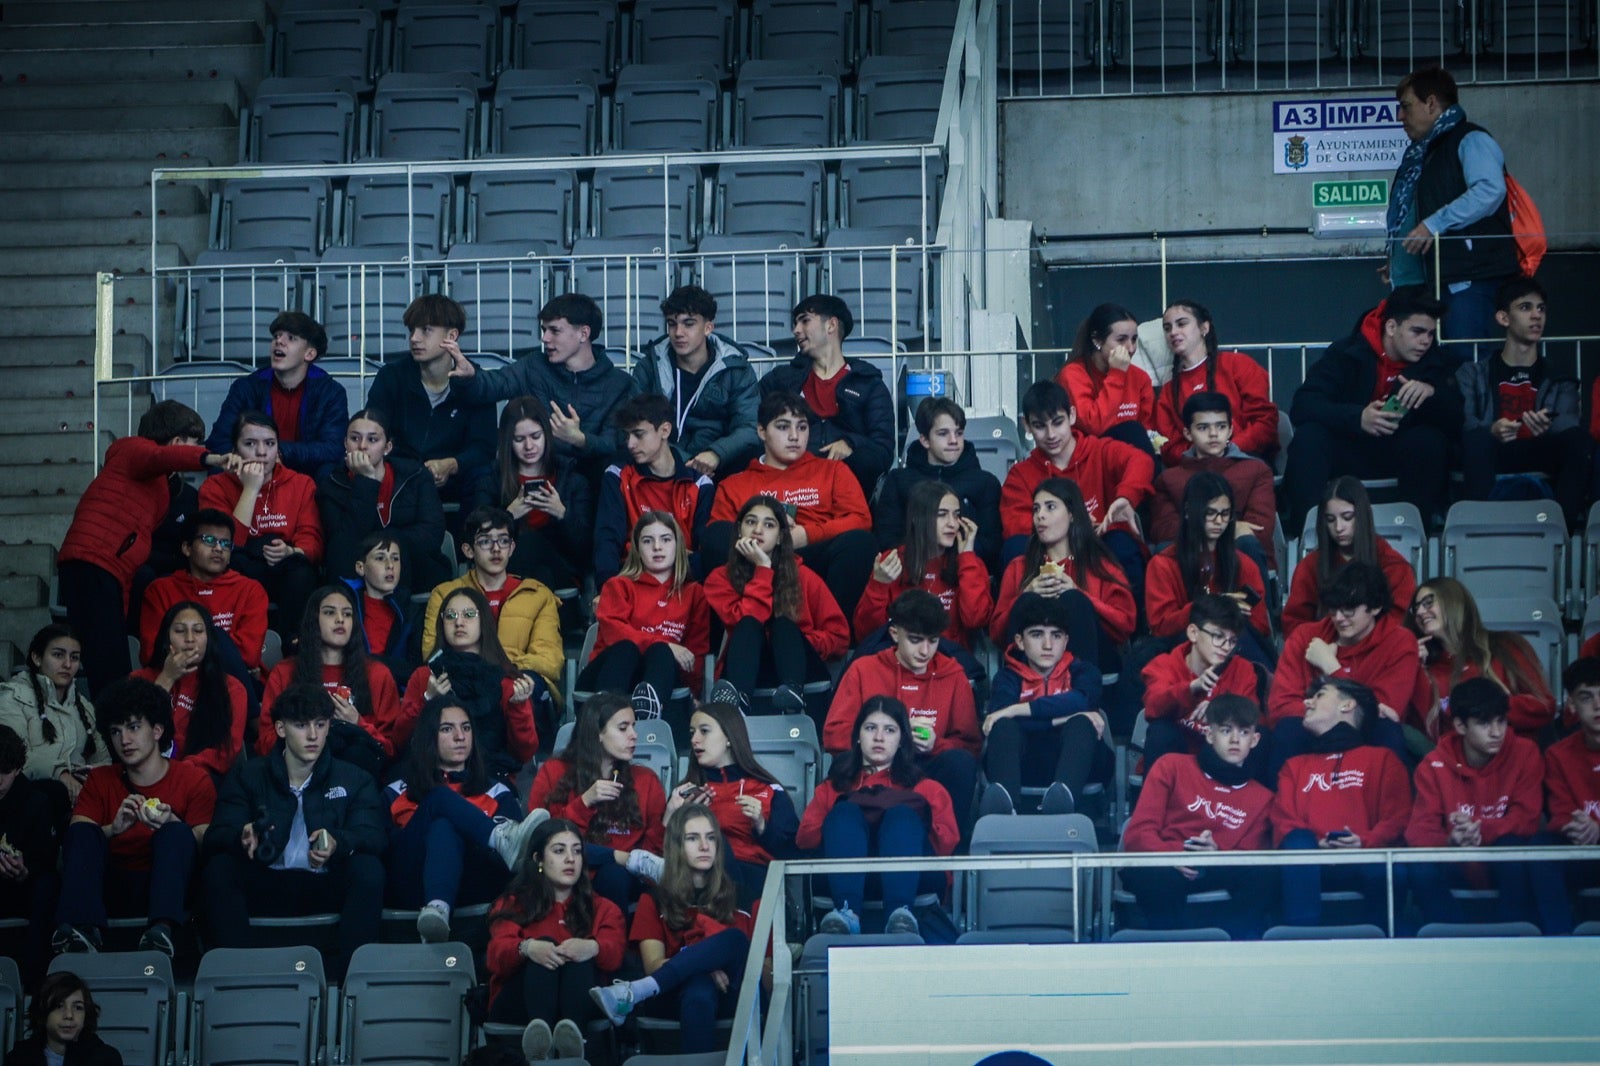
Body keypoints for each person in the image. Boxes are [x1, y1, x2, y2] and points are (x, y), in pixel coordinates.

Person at [202, 683, 387, 981]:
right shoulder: (248, 775)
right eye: (301, 725)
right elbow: (215, 835)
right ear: (280, 728)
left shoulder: (355, 778)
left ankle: (352, 982)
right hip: (266, 881)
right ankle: (235, 977)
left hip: (324, 883)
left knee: (368, 869)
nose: (313, 735)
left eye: (320, 725)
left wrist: (339, 843)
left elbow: (375, 836)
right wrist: (242, 836)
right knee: (219, 868)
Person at [58, 400, 240, 696]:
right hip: (91, 564)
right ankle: (112, 728)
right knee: (108, 667)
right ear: (178, 442)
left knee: (111, 661)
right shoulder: (131, 450)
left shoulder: (161, 487)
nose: (195, 448)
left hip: (108, 572)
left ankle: (113, 724)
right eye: (193, 442)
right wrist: (211, 459)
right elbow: (157, 456)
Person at [53, 678, 214, 958]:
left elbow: (206, 842)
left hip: (169, 884)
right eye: (115, 731)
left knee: (176, 833)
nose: (124, 740)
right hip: (113, 883)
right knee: (83, 833)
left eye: (134, 727)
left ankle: (161, 933)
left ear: (157, 730)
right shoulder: (101, 779)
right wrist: (113, 828)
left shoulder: (192, 778)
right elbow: (77, 838)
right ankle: (83, 931)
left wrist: (171, 822)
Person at [1282, 288, 1464, 532]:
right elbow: (1304, 405)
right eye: (1417, 332)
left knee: (1428, 441)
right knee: (1309, 438)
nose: (1425, 341)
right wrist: (1358, 417)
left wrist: (1433, 395)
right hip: (1348, 448)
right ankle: (1306, 535)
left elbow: (1458, 420)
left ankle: (1416, 534)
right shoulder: (1345, 353)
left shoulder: (1438, 362)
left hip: (1403, 452)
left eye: (1431, 334)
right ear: (1391, 327)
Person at [589, 805, 763, 1052]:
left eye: (711, 838)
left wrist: (699, 961)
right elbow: (653, 965)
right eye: (693, 838)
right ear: (676, 846)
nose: (704, 846)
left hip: (735, 993)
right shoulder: (655, 899)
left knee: (735, 940)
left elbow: (762, 969)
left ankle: (632, 993)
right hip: (672, 995)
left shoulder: (744, 897)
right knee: (699, 988)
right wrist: (706, 965)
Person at [1405, 677, 1570, 933]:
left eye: (1501, 721)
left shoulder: (1525, 752)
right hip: (1456, 862)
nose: (1496, 732)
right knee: (1420, 866)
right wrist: (1452, 840)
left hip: (1504, 861)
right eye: (1484, 723)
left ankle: (1513, 935)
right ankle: (1452, 939)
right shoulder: (1433, 764)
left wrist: (1480, 831)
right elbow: (1419, 831)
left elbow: (1527, 819)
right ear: (1460, 725)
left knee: (1512, 846)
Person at [385, 696, 550, 943]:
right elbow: (385, 849)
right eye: (447, 729)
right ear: (429, 736)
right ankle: (497, 837)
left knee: (446, 823)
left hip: (475, 883)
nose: (460, 736)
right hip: (413, 883)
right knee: (440, 808)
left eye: (466, 727)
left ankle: (438, 910)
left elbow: (508, 865)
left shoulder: (497, 791)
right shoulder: (396, 791)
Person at [706, 391, 877, 621]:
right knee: (715, 535)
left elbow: (860, 519)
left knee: (860, 542)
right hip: (755, 563)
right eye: (783, 427)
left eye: (802, 427)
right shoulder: (734, 484)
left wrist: (805, 534)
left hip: (812, 556)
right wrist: (768, 537)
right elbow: (719, 536)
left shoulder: (833, 470)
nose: (795, 436)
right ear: (761, 431)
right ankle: (743, 624)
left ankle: (833, 630)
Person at [796, 696, 958, 936]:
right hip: (842, 881)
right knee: (845, 814)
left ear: (902, 739)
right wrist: (843, 825)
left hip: (914, 880)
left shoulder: (928, 788)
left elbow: (946, 844)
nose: (879, 737)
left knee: (901, 817)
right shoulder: (832, 788)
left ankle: (901, 915)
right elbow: (805, 839)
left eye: (889, 730)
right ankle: (847, 913)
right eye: (871, 728)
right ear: (858, 737)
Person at [1386, 65, 1519, 353]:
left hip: (1469, 279)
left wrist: (1433, 225)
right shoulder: (1426, 153)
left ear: (1431, 103)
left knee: (1467, 364)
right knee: (1441, 373)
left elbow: (1489, 191)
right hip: (1435, 281)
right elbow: (1419, 210)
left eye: (1406, 106)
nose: (1400, 116)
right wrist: (1400, 257)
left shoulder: (1470, 139)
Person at [1120, 695, 1276, 937]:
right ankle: (1172, 956)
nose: (1235, 740)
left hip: (1220, 868)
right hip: (1166, 864)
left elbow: (1250, 857)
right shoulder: (1171, 766)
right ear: (1210, 735)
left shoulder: (1263, 797)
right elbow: (1138, 833)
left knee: (1264, 875)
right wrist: (1169, 856)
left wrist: (1217, 855)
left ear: (1255, 740)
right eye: (1226, 730)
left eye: (1244, 733)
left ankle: (1233, 954)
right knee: (1154, 876)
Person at [447, 292, 639, 488]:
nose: (544, 338)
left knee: (611, 470)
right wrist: (470, 376)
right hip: (538, 471)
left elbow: (613, 444)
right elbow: (493, 385)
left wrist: (579, 439)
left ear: (583, 333)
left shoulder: (619, 384)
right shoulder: (533, 366)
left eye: (554, 331)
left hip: (589, 479)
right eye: (544, 329)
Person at [826, 591, 980, 832]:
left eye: (933, 640)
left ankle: (949, 852)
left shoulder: (954, 674)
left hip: (926, 766)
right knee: (843, 764)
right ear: (894, 633)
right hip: (873, 770)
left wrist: (935, 745)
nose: (925, 651)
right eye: (916, 640)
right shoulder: (863, 669)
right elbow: (835, 735)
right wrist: (888, 738)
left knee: (960, 763)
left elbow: (971, 745)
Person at [1271, 678, 1411, 927]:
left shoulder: (1383, 759)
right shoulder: (1293, 765)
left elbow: (1397, 818)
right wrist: (1316, 845)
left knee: (1388, 869)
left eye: (1320, 695)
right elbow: (1284, 820)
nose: (1307, 702)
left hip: (1365, 859)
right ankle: (1301, 941)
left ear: (1346, 705)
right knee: (1298, 842)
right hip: (1309, 862)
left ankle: (1383, 950)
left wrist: (1363, 843)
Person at [485, 818, 625, 1062]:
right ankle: (541, 1043)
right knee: (544, 946)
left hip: (581, 1001)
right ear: (539, 859)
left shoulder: (604, 908)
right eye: (559, 851)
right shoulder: (512, 904)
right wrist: (527, 948)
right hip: (518, 1003)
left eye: (577, 851)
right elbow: (496, 955)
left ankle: (572, 1043)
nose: (571, 859)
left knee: (578, 955)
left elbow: (615, 954)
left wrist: (592, 947)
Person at [1458, 277, 1588, 530]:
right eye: (1526, 308)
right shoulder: (1473, 373)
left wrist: (1549, 428)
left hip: (1540, 449)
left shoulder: (1560, 376)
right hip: (1494, 450)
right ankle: (1476, 530)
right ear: (1503, 318)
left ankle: (1563, 531)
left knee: (1579, 441)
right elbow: (1463, 421)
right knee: (1476, 439)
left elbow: (1569, 422)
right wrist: (1492, 429)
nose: (1537, 316)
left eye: (1541, 309)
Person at [703, 495, 851, 715]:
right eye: (750, 522)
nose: (758, 530)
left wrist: (798, 645)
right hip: (747, 670)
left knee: (783, 626)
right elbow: (742, 623)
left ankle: (791, 696)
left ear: (781, 537)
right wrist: (763, 568)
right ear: (739, 530)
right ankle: (738, 707)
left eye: (769, 524)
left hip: (799, 671)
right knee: (749, 625)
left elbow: (839, 637)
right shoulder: (720, 578)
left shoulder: (804, 576)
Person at [1001, 380, 1152, 592]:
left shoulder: (1099, 450)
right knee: (1015, 547)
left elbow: (1141, 461)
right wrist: (1071, 528)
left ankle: (1132, 624)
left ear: (1072, 416)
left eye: (1058, 422)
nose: (1051, 434)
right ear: (1026, 425)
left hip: (1101, 545)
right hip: (1048, 555)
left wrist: (1126, 497)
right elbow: (1016, 526)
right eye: (1040, 426)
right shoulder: (1021, 475)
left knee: (1122, 543)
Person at [421, 507, 563, 729]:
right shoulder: (445, 594)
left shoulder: (539, 594)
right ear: (468, 550)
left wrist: (498, 669)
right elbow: (433, 653)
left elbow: (550, 662)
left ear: (512, 547)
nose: (496, 549)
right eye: (486, 541)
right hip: (466, 683)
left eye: (503, 541)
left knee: (526, 684)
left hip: (518, 681)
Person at [525, 693, 667, 913]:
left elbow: (652, 850)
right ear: (597, 734)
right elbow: (541, 837)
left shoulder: (646, 780)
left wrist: (669, 817)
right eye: (623, 728)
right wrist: (585, 802)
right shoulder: (553, 772)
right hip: (564, 870)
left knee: (614, 875)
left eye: (634, 726)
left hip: (621, 877)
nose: (634, 735)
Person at [1267, 562, 1419, 767]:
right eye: (1333, 609)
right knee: (1287, 730)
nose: (1338, 618)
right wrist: (1338, 712)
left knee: (1386, 731)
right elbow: (1281, 706)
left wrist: (1332, 668)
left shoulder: (1400, 642)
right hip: (1308, 731)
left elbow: (1383, 711)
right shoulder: (1304, 636)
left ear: (1375, 607)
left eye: (1348, 610)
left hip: (1365, 736)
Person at [198, 410, 324, 645]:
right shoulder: (214, 487)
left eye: (269, 443)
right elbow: (223, 546)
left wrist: (292, 552)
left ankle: (293, 647)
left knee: (303, 571)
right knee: (230, 563)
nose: (262, 452)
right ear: (234, 451)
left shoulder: (301, 483)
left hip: (283, 565)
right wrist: (251, 489)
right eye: (250, 444)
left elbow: (312, 541)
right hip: (239, 564)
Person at [367, 294, 497, 514]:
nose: (414, 338)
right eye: (412, 331)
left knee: (483, 476)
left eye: (426, 330)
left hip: (455, 478)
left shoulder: (474, 381)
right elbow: (375, 430)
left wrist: (451, 464)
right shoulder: (391, 377)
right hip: (401, 475)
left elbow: (483, 448)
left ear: (452, 336)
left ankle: (476, 542)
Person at [980, 593, 1107, 816]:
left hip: (1077, 763)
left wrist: (1017, 710)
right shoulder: (1006, 678)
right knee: (1004, 728)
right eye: (1037, 635)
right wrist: (1063, 717)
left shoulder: (1084, 672)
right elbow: (999, 722)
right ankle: (1005, 809)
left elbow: (1081, 700)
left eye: (1056, 636)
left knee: (1081, 725)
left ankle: (1063, 800)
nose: (1048, 645)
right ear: (1020, 641)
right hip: (1024, 763)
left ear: (1066, 640)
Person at [258, 585, 404, 777]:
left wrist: (357, 724)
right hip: (297, 776)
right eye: (329, 612)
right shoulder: (284, 672)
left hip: (356, 779)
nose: (340, 619)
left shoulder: (378, 674)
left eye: (347, 614)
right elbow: (265, 742)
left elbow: (390, 749)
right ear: (313, 620)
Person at [991, 478, 1136, 668]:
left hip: (1094, 664)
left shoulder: (1100, 565)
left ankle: (1079, 691)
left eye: (1050, 507)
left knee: (1074, 600)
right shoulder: (1019, 567)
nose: (1040, 516)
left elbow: (1125, 626)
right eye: (1035, 509)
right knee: (1026, 600)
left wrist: (1080, 595)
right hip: (1031, 671)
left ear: (1072, 514)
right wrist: (1025, 596)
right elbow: (997, 635)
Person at [760, 293, 895, 498]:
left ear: (831, 325)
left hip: (848, 485)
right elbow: (753, 423)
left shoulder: (868, 383)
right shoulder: (781, 380)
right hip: (790, 483)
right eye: (795, 324)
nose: (796, 330)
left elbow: (883, 449)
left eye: (805, 321)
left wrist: (851, 443)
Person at [582, 512, 711, 718]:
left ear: (678, 545)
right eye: (648, 541)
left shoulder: (694, 593)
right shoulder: (618, 585)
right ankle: (607, 716)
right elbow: (614, 633)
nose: (657, 547)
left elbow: (696, 652)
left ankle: (648, 712)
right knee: (628, 648)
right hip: (608, 677)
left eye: (665, 539)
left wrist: (694, 693)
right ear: (637, 548)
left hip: (662, 681)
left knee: (661, 654)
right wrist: (666, 644)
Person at [402, 588, 540, 777]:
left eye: (469, 614)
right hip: (433, 779)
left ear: (484, 621)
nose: (458, 622)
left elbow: (524, 752)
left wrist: (519, 707)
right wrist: (428, 699)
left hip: (492, 781)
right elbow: (400, 739)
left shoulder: (506, 681)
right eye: (450, 616)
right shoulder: (425, 676)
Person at [1406, 577, 1555, 748]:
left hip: (1512, 760)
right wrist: (1416, 669)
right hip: (1454, 766)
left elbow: (1543, 706)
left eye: (1428, 602)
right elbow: (1426, 734)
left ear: (1454, 602)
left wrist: (1485, 708)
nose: (1419, 612)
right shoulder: (1426, 665)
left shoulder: (1505, 646)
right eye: (1416, 607)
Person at [631, 284, 762, 479]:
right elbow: (635, 421)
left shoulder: (735, 368)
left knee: (751, 456)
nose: (678, 333)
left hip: (717, 465)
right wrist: (675, 458)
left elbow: (750, 427)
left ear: (708, 327)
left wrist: (717, 453)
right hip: (661, 460)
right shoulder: (650, 366)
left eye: (689, 323)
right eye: (672, 324)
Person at [673, 702, 799, 902]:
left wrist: (762, 826)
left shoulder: (768, 789)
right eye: (692, 733)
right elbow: (663, 854)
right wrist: (671, 816)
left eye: (704, 731)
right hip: (695, 878)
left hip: (752, 877)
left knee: (718, 843)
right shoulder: (684, 793)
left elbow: (793, 851)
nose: (695, 740)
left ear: (729, 738)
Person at [317, 407, 450, 594]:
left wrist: (388, 545)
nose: (362, 446)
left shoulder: (416, 476)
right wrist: (365, 482)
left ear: (387, 447)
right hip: (358, 569)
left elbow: (432, 534)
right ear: (345, 444)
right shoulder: (332, 484)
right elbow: (343, 546)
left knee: (395, 549)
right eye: (355, 438)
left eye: (372, 439)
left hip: (414, 565)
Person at [856, 480, 992, 661]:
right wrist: (878, 585)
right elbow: (867, 634)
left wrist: (966, 557)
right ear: (918, 518)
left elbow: (975, 620)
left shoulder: (969, 563)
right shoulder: (893, 560)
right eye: (942, 515)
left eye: (957, 515)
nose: (953, 524)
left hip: (948, 662)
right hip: (898, 660)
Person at [205, 310, 347, 475]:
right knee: (218, 469)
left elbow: (332, 448)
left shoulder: (331, 392)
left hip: (305, 474)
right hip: (252, 469)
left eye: (291, 338)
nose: (279, 341)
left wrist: (281, 452)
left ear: (309, 354)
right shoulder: (246, 387)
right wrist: (248, 459)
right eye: (276, 336)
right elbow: (219, 440)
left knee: (329, 473)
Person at [594, 394, 715, 585]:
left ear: (665, 430)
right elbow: (607, 540)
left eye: (639, 434)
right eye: (627, 436)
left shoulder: (700, 485)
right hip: (632, 582)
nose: (630, 444)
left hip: (684, 584)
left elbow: (705, 555)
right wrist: (607, 590)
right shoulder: (617, 475)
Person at [871, 396, 1003, 570]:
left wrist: (949, 557)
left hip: (964, 570)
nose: (954, 440)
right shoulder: (899, 480)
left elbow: (991, 545)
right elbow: (887, 539)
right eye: (943, 433)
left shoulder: (985, 482)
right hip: (911, 572)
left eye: (959, 433)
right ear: (925, 440)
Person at [1144, 473, 1270, 654]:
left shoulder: (1244, 563)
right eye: (1210, 513)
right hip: (1184, 652)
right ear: (1188, 512)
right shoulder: (1163, 565)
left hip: (1237, 648)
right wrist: (1212, 608)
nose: (1219, 521)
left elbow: (1261, 625)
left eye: (1225, 514)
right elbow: (1161, 627)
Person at [1139, 595, 1266, 776]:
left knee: (1261, 737)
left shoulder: (1242, 669)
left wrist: (1220, 712)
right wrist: (1191, 689)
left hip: (1222, 763)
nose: (1225, 647)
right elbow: (1153, 707)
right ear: (1193, 633)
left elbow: (1253, 719)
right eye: (1218, 636)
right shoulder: (1164, 665)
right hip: (1178, 763)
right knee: (1161, 732)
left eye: (1232, 641)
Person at [1149, 392, 1276, 570]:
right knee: (1165, 549)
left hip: (1242, 564)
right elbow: (1165, 532)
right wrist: (1231, 527)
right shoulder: (1168, 480)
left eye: (1221, 426)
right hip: (1193, 566)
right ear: (1188, 433)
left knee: (1249, 543)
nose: (1214, 434)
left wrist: (1197, 527)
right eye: (1203, 428)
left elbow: (1259, 529)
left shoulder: (1257, 470)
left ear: (1230, 430)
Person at [138, 509, 269, 677]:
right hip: (177, 682)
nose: (218, 548)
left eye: (225, 544)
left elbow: (248, 655)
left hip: (230, 681)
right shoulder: (160, 591)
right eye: (209, 540)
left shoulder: (251, 590)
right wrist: (225, 650)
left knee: (221, 639)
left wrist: (183, 648)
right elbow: (152, 653)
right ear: (187, 548)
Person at [1282, 477, 1417, 638]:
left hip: (1379, 654)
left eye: (1347, 517)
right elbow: (1294, 623)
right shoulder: (1310, 565)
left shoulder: (1394, 565)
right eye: (1330, 520)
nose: (1339, 527)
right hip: (1323, 651)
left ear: (1362, 516)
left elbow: (1397, 624)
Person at [132, 601, 249, 781]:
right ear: (166, 637)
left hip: (201, 780)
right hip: (144, 776)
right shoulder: (138, 680)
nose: (189, 638)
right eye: (179, 631)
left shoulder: (232, 689)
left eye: (198, 631)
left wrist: (178, 773)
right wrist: (167, 678)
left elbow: (225, 751)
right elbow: (132, 733)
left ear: (209, 638)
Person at [1152, 301, 1278, 466]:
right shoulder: (1168, 392)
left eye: (1181, 324)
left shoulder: (1238, 365)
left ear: (1204, 328)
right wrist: (1202, 456)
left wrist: (1226, 450)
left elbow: (1265, 423)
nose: (1173, 332)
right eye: (1167, 328)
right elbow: (1169, 447)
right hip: (1196, 470)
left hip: (1245, 460)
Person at [0, 624, 103, 819]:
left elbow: (102, 759)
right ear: (36, 658)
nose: (67, 664)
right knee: (53, 792)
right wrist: (60, 774)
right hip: (26, 794)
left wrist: (93, 776)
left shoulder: (85, 707)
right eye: (58, 655)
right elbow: (8, 758)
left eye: (74, 657)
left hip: (77, 793)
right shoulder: (12, 697)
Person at [492, 397, 593, 593]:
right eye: (519, 439)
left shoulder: (572, 480)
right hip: (510, 576)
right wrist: (508, 516)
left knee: (533, 547)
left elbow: (586, 551)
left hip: (563, 575)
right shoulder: (493, 479)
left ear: (547, 434)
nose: (529, 446)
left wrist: (562, 513)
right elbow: (476, 539)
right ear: (508, 441)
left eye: (535, 436)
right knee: (535, 562)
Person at [0, 724, 63, 983]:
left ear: (17, 769)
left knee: (48, 886)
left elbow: (45, 858)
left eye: (4, 772)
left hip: (23, 888)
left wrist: (25, 870)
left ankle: (36, 980)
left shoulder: (36, 801)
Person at [1054, 303, 1155, 454]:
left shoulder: (1140, 378)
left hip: (1131, 459)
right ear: (1097, 341)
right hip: (1087, 457)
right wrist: (1117, 375)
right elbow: (1094, 426)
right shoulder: (1073, 374)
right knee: (1131, 429)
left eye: (1134, 339)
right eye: (1121, 340)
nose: (1131, 348)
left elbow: (1146, 431)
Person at [1545, 658, 1600, 872]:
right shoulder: (1557, 755)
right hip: (1581, 847)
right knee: (1541, 847)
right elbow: (1561, 814)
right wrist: (1579, 826)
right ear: (1571, 705)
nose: (1597, 705)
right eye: (1586, 698)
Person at [344, 533, 417, 690]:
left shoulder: (412, 611)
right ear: (360, 568)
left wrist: (370, 662)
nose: (390, 565)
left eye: (395, 558)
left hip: (396, 692)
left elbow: (415, 668)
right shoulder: (346, 606)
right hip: (352, 690)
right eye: (380, 558)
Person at [4, 971, 124, 1066]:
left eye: (78, 1007)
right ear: (43, 1012)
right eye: (59, 1006)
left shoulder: (106, 1059)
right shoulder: (19, 1058)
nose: (69, 1015)